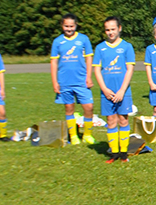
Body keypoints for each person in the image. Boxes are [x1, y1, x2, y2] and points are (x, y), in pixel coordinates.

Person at [93, 16, 136, 163]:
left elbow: (130, 69)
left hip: (122, 91)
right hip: (107, 92)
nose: (110, 32)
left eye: (113, 29)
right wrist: (104, 89)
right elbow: (97, 70)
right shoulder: (100, 48)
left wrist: (122, 90)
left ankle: (124, 153)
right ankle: (114, 153)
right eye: (107, 30)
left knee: (123, 120)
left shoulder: (127, 47)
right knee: (111, 121)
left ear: (119, 28)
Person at [50, 14, 96, 145]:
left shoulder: (83, 39)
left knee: (89, 107)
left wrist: (88, 77)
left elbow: (89, 58)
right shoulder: (58, 41)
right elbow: (53, 62)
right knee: (69, 108)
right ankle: (74, 136)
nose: (69, 29)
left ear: (75, 25)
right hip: (64, 82)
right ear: (62, 26)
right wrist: (55, 82)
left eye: (71, 26)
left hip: (81, 81)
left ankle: (87, 135)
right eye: (66, 26)